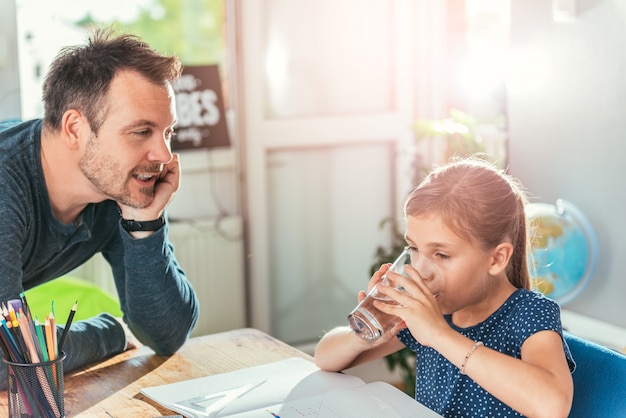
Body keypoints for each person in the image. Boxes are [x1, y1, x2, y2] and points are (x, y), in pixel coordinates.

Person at [0, 28, 199, 389]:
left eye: (167, 132)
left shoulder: (114, 189)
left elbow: (166, 335)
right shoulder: (5, 184)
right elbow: (11, 361)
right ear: (75, 128)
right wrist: (108, 334)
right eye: (141, 132)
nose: (164, 155)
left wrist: (145, 223)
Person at [314, 156, 575, 417]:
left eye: (442, 255)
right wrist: (367, 334)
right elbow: (324, 358)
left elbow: (552, 406)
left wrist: (439, 335)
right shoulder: (435, 310)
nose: (422, 271)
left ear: (496, 258)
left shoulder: (529, 313)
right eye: (414, 248)